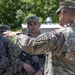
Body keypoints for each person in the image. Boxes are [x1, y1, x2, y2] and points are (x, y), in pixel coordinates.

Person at [3, 1, 75, 75]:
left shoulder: (60, 35)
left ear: (61, 14)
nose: (33, 26)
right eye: (30, 24)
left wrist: (15, 34)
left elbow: (31, 45)